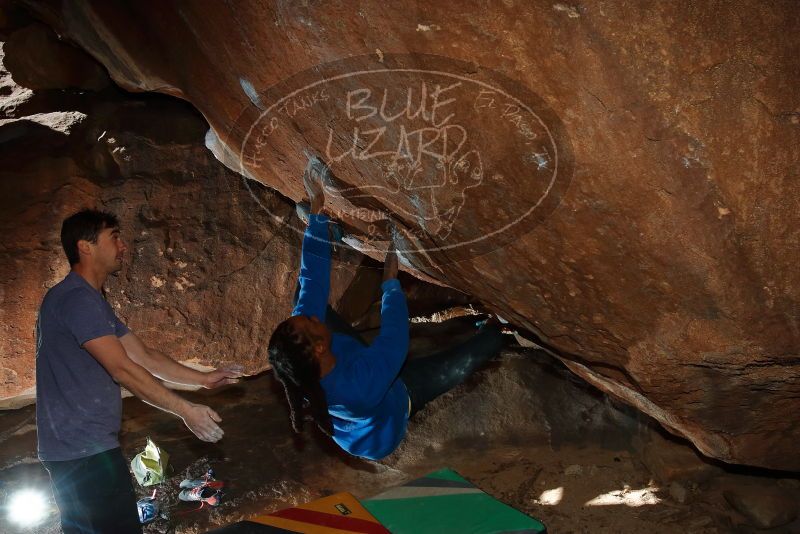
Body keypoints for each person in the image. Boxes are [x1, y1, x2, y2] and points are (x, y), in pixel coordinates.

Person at [268, 161, 505, 461]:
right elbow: (395, 338)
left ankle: (331, 233)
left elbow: (312, 282)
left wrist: (317, 212)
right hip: (387, 417)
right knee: (466, 358)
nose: (314, 316)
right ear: (317, 346)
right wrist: (390, 282)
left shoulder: (300, 360)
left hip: (348, 361)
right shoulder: (360, 387)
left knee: (303, 293)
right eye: (312, 323)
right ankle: (501, 331)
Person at [36, 209, 243, 533]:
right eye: (114, 236)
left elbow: (144, 356)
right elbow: (123, 369)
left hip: (82, 449)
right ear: (85, 247)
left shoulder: (89, 300)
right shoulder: (77, 299)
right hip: (82, 452)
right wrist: (185, 410)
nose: (123, 245)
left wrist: (202, 379)